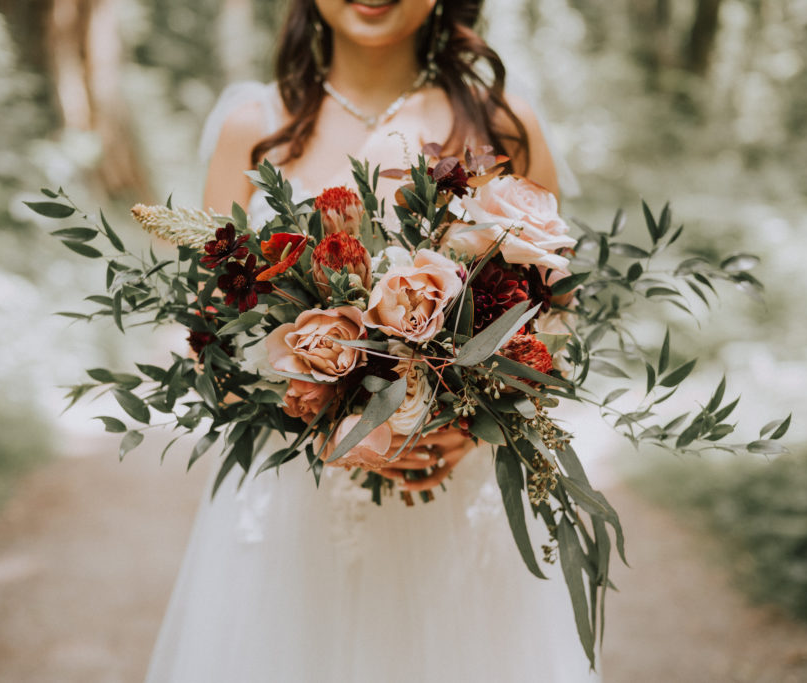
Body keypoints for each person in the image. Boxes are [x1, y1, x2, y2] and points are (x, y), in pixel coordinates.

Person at [145, 1, 601, 681]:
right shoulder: (254, 126)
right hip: (295, 502)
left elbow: (553, 325)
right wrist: (315, 418)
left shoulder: (501, 122)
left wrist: (475, 426)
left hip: (452, 497)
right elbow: (213, 336)